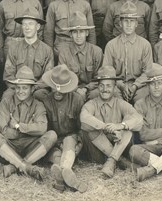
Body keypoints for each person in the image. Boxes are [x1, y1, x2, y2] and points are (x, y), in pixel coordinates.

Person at [79, 65, 143, 178]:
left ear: (114, 88)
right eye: (102, 86)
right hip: (97, 152)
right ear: (97, 87)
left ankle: (112, 161)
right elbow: (83, 118)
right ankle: (121, 161)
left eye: (109, 86)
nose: (105, 89)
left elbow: (138, 119)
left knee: (128, 129)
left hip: (118, 147)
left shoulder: (120, 103)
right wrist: (106, 128)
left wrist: (120, 126)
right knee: (90, 129)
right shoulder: (91, 104)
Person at [34, 64, 88, 192]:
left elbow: (81, 129)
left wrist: (78, 144)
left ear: (69, 88)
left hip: (72, 140)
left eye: (62, 89)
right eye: (54, 88)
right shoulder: (46, 101)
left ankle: (63, 173)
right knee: (55, 153)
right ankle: (64, 175)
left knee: (69, 141)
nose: (57, 92)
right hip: (54, 141)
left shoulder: (77, 100)